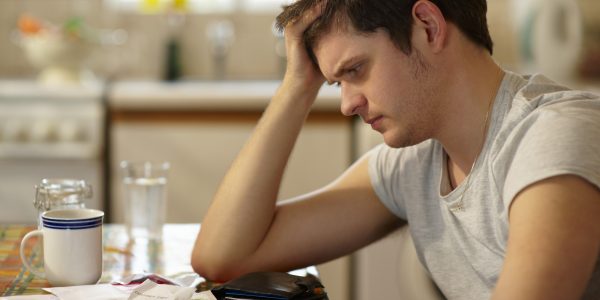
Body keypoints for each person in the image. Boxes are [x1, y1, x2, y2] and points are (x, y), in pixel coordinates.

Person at [191, 0, 600, 298]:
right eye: (336, 82)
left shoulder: (554, 134)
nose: (348, 103)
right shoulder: (414, 163)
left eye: (355, 70)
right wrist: (297, 85)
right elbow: (224, 257)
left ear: (427, 26)